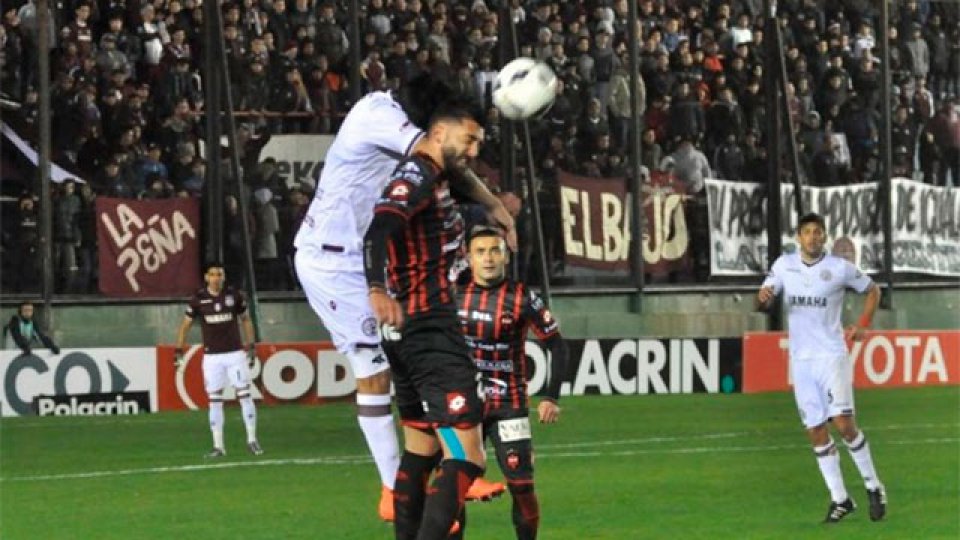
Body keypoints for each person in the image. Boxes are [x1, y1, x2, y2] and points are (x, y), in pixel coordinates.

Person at [292, 74, 512, 521]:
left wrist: (491, 205)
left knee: (411, 361)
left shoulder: (390, 119)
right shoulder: (378, 115)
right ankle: (395, 486)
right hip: (334, 261)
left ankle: (443, 466)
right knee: (374, 372)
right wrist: (493, 203)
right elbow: (438, 156)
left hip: (360, 257)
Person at [363, 100, 491, 539]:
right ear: (439, 133)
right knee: (469, 456)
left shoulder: (435, 179)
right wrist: (376, 287)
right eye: (468, 139)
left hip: (404, 333)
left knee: (420, 450)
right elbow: (378, 228)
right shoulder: (416, 174)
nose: (473, 150)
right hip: (429, 327)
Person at [756, 213, 886, 523]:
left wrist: (863, 324)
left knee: (842, 423)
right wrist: (762, 298)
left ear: (824, 237)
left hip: (831, 355)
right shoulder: (783, 265)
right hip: (801, 361)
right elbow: (763, 299)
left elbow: (873, 290)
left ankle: (873, 486)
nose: (813, 237)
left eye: (818, 232)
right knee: (815, 430)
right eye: (807, 232)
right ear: (798, 237)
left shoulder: (838, 269)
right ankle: (841, 499)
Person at [457, 225, 568, 540]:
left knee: (521, 486)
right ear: (468, 257)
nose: (488, 258)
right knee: (455, 485)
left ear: (505, 256)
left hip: (510, 405)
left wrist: (552, 396)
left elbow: (557, 345)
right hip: (463, 404)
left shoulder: (521, 297)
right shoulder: (453, 293)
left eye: (495, 250)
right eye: (480, 252)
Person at [175, 263, 262, 458]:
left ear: (223, 277)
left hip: (234, 354)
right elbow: (185, 325)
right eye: (213, 275)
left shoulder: (234, 296)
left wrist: (251, 345)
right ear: (206, 277)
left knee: (245, 394)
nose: (216, 278)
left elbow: (246, 319)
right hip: (212, 356)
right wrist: (179, 348)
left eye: (219, 275)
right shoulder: (198, 300)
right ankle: (218, 446)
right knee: (214, 400)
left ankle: (252, 440)